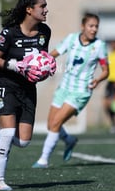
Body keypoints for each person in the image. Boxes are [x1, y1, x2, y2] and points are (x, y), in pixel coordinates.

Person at [0, 0, 56, 191]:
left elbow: (39, 60)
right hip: (6, 86)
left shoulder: (44, 32)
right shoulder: (9, 33)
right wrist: (15, 65)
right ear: (29, 9)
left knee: (23, 141)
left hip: (27, 89)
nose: (46, 9)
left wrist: (46, 67)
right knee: (9, 132)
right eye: (42, 6)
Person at [32, 12, 109, 168]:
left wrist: (98, 79)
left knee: (56, 123)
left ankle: (43, 159)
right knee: (51, 124)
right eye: (91, 26)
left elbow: (106, 71)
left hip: (80, 91)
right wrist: (39, 61)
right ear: (82, 26)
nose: (94, 29)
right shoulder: (71, 39)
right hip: (64, 87)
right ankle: (69, 140)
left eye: (96, 26)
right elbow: (53, 54)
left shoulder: (99, 46)